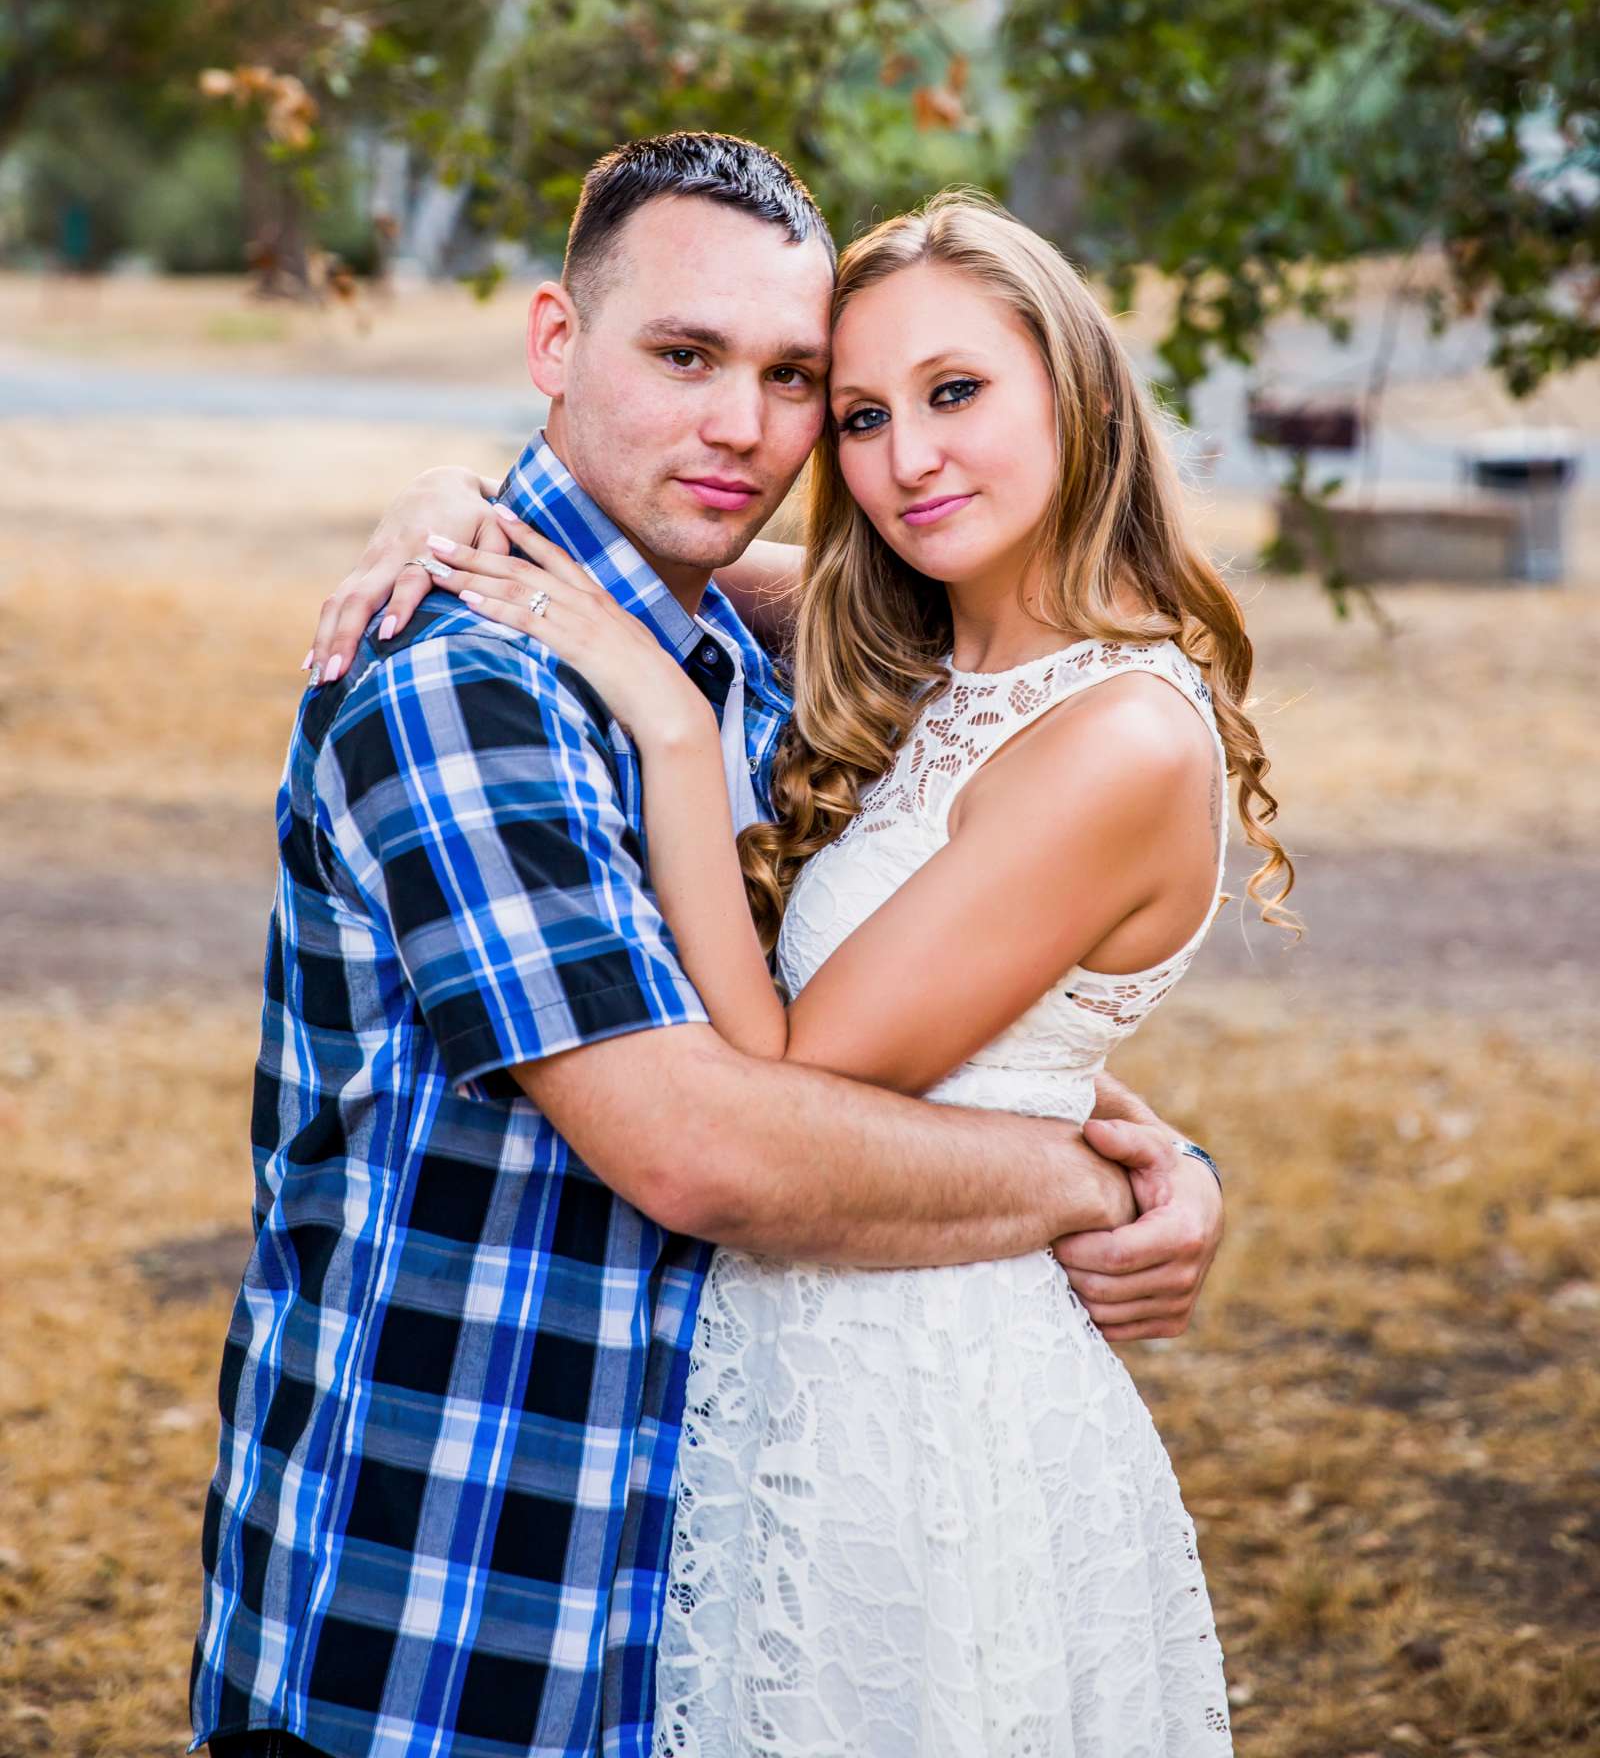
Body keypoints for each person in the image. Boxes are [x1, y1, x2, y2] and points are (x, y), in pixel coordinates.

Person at [193, 135, 1228, 1758]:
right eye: (683, 357)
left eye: (799, 380)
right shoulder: (469, 687)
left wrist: (1165, 1147)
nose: (746, 427)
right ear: (557, 344)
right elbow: (706, 1149)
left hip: (694, 1556)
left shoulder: (737, 657)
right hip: (443, 1604)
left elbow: (966, 933)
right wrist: (1083, 1184)